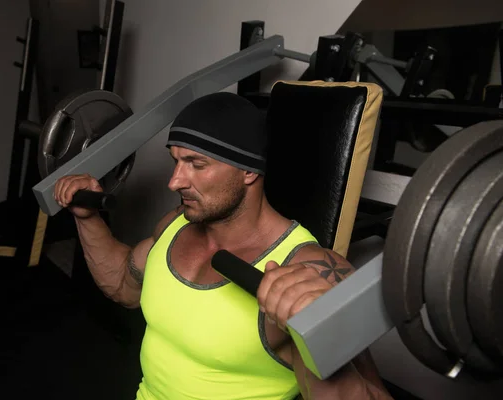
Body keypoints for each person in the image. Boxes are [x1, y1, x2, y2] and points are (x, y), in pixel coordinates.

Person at [54, 92, 393, 399]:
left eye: (197, 165)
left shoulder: (312, 272)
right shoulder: (176, 223)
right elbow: (123, 287)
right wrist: (87, 218)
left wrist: (323, 336)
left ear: (248, 171)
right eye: (176, 161)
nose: (175, 181)